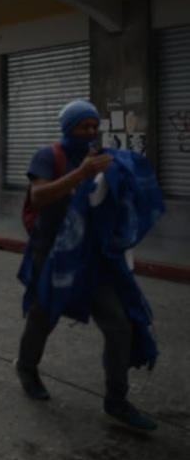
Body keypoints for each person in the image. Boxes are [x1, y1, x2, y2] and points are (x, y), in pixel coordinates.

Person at [14, 100, 161, 431]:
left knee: (119, 325)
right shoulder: (49, 156)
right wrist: (80, 174)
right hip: (53, 253)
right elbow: (38, 197)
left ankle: (117, 400)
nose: (92, 132)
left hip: (94, 256)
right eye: (85, 127)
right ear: (69, 128)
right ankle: (27, 367)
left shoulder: (104, 158)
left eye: (96, 126)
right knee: (44, 315)